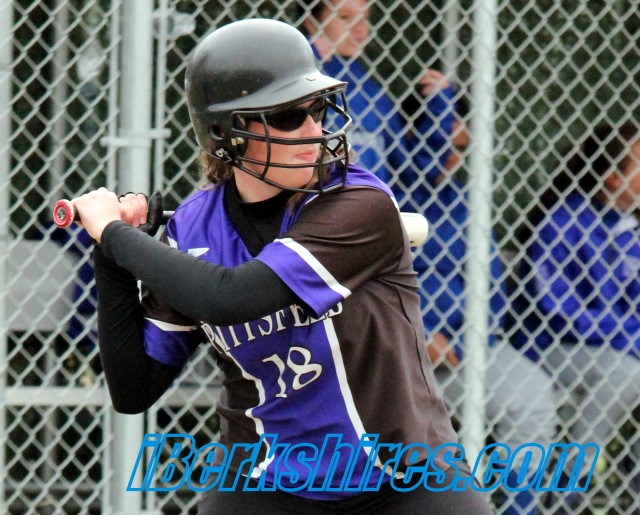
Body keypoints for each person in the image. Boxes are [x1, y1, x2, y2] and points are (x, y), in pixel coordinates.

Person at [72, 19, 492, 514]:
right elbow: (133, 388)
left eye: (317, 110)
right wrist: (111, 257)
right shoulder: (194, 231)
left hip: (403, 478)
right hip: (267, 483)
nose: (313, 130)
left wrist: (115, 235)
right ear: (227, 132)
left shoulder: (358, 202)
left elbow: (229, 297)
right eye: (290, 116)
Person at [401, 92, 557, 515]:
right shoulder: (377, 192)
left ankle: (515, 509)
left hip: (463, 347)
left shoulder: (465, 200)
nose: (453, 157)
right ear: (412, 135)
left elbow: (491, 291)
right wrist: (418, 339)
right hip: (398, 349)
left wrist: (463, 344)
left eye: (461, 146)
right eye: (443, 142)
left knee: (533, 398)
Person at [510, 122, 640, 511]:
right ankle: (569, 484)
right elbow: (560, 314)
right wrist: (630, 332)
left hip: (617, 344)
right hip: (547, 346)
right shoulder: (564, 221)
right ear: (614, 178)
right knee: (626, 373)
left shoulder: (630, 227)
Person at [300, 0, 455, 197]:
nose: (359, 27)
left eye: (365, 17)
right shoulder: (299, 79)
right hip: (315, 205)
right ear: (312, 23)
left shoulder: (371, 93)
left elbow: (413, 172)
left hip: (372, 205)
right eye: (345, 17)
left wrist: (440, 105)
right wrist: (312, 53)